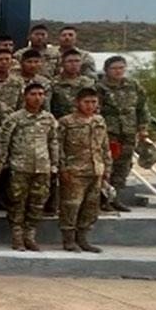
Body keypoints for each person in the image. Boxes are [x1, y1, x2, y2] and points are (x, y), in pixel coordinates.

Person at [0, 83, 59, 251]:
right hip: (19, 168)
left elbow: (53, 142)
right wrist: (3, 164)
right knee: (17, 204)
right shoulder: (15, 118)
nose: (37, 97)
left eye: (41, 94)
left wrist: (54, 165)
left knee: (37, 204)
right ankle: (17, 237)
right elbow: (5, 142)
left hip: (42, 168)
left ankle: (30, 236)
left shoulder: (48, 119)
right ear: (25, 96)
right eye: (33, 94)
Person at [58, 88, 109, 253]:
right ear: (77, 103)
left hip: (96, 170)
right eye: (86, 102)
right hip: (75, 171)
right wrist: (63, 168)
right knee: (71, 206)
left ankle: (83, 238)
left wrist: (107, 168)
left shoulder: (99, 121)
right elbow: (58, 147)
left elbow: (105, 147)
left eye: (93, 102)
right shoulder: (67, 122)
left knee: (91, 207)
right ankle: (68, 240)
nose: (90, 106)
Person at [96, 56, 148, 211]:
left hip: (129, 133)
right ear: (107, 70)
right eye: (115, 68)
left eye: (121, 67)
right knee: (107, 168)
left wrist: (143, 127)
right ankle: (103, 200)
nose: (119, 71)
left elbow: (142, 108)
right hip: (109, 134)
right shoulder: (100, 88)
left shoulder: (133, 85)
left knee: (123, 168)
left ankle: (115, 199)